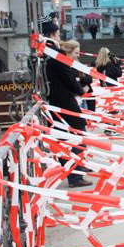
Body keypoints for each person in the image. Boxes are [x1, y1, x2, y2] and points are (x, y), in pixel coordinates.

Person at [47, 39, 92, 187]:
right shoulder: (60, 59)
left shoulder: (51, 59)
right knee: (78, 136)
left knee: (66, 139)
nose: (76, 57)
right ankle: (75, 175)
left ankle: (77, 169)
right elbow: (69, 80)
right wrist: (80, 90)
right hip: (64, 103)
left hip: (57, 104)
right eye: (76, 53)